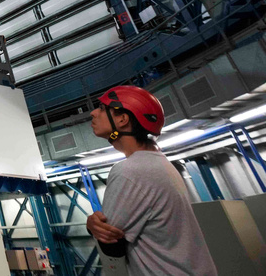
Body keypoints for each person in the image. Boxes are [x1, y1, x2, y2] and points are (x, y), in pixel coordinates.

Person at [85, 85, 217, 275]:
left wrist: (92, 226)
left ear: (122, 119)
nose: (93, 113)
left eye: (103, 109)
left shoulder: (130, 171)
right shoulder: (161, 164)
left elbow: (112, 247)